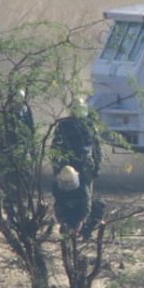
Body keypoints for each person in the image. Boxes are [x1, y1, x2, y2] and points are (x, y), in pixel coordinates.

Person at [50, 98, 102, 236]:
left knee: (86, 197)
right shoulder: (64, 125)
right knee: (64, 197)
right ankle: (66, 224)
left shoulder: (90, 125)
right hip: (68, 168)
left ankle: (82, 227)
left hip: (86, 168)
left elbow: (96, 148)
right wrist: (57, 168)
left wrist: (97, 166)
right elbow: (55, 147)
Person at [0, 88, 36, 209]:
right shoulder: (6, 116)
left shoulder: (26, 112)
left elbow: (31, 133)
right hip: (10, 154)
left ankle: (24, 206)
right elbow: (0, 138)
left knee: (26, 180)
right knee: (10, 182)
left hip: (24, 153)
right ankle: (10, 209)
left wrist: (32, 151)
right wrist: (1, 158)